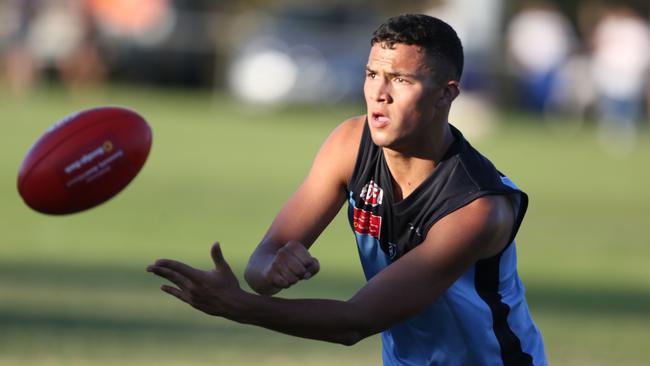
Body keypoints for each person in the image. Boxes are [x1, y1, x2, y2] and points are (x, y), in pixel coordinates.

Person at [147, 14, 547, 365]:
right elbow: (262, 265)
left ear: (447, 92)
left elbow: (355, 322)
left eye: (400, 79)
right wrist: (272, 271)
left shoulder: (477, 207)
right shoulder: (350, 143)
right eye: (372, 74)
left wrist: (239, 307)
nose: (379, 93)